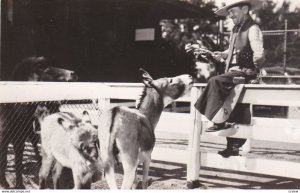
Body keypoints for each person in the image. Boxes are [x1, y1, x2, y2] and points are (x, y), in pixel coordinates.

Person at [194, 0, 265, 158]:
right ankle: (232, 146)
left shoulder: (252, 28)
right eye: (229, 12)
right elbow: (233, 49)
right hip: (234, 71)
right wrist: (222, 54)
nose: (230, 15)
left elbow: (258, 52)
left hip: (245, 72)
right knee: (235, 109)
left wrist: (254, 69)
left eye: (233, 11)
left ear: (245, 9)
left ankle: (218, 121)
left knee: (215, 81)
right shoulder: (236, 30)